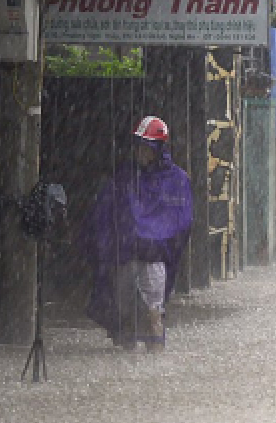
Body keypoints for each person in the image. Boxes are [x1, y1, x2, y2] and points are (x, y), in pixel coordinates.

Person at [79, 116, 194, 352]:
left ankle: (154, 356)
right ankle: (129, 353)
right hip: (126, 253)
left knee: (154, 311)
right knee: (125, 310)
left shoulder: (176, 180)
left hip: (154, 256)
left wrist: (156, 241)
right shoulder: (125, 177)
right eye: (138, 146)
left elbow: (181, 221)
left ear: (159, 149)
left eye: (146, 147)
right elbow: (105, 212)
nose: (140, 152)